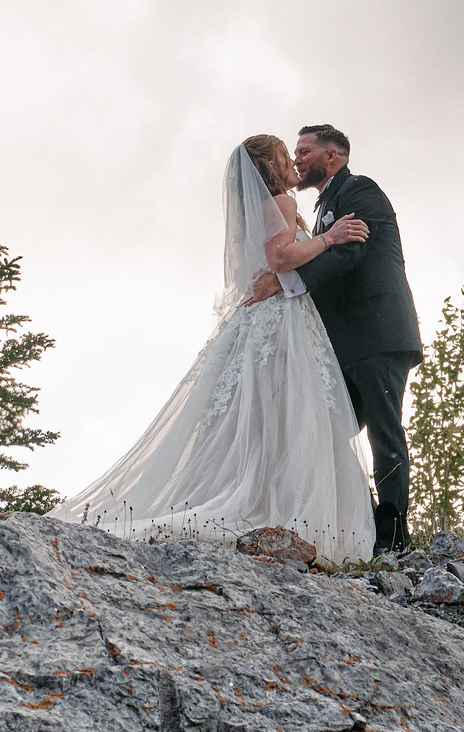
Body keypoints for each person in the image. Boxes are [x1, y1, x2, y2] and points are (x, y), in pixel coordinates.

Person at [55, 135, 378, 560]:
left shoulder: (254, 210)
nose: (293, 164)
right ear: (271, 166)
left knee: (263, 415)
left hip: (259, 320)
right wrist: (329, 239)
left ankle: (260, 492)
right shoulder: (281, 202)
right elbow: (281, 259)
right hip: (281, 321)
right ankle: (273, 501)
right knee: (289, 411)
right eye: (286, 156)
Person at [284, 125, 421, 554]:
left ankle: (393, 535)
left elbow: (350, 252)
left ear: (333, 156)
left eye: (305, 151)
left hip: (378, 333)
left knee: (383, 431)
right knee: (327, 430)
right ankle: (360, 520)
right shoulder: (325, 205)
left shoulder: (361, 190)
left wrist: (288, 285)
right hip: (345, 345)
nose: (296, 159)